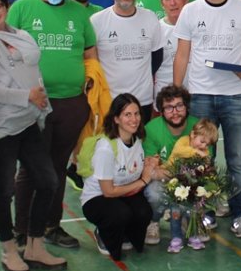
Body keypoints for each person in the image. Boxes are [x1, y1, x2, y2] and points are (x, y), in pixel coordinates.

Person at [0, 0, 66, 271]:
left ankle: (35, 245)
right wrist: (26, 96)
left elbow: (33, 73)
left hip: (28, 122)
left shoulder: (22, 36)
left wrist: (39, 102)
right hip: (0, 128)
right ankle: (9, 250)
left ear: (6, 6)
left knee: (48, 182)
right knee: (4, 190)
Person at [6, 0, 99, 250]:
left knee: (58, 167)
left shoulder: (80, 14)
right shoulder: (22, 8)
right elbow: (4, 51)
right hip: (33, 105)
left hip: (71, 104)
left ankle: (51, 226)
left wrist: (91, 86)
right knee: (31, 170)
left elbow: (89, 54)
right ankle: (21, 229)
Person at [172, 0, 241, 238]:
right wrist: (178, 96)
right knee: (201, 159)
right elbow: (182, 55)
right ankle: (206, 212)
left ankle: (238, 214)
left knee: (236, 159)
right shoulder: (190, 11)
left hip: (236, 96)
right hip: (200, 96)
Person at [80, 93, 158, 261]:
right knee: (120, 214)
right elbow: (108, 192)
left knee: (144, 212)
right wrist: (143, 181)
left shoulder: (137, 140)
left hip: (124, 193)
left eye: (136, 113)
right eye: (127, 115)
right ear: (116, 119)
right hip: (98, 198)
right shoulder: (106, 148)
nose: (134, 119)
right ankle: (102, 232)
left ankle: (125, 233)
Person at [91, 0, 164, 121]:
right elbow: (91, 61)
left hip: (142, 101)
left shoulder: (150, 18)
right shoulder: (97, 21)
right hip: (109, 102)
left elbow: (157, 57)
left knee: (140, 145)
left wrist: (139, 77)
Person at [141, 84, 197, 245]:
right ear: (161, 111)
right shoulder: (151, 129)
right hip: (163, 180)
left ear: (186, 107)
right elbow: (150, 170)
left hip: (188, 179)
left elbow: (204, 165)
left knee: (203, 186)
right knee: (154, 192)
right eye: (169, 107)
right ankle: (153, 221)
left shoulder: (198, 127)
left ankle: (189, 219)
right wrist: (175, 172)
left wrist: (166, 170)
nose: (175, 112)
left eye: (179, 105)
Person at [164, 119, 219, 253]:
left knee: (194, 212)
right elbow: (179, 151)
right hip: (176, 184)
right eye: (202, 141)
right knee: (176, 212)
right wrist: (197, 153)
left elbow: (206, 168)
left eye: (207, 144)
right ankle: (176, 237)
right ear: (193, 135)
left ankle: (193, 235)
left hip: (192, 187)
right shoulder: (183, 142)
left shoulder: (204, 152)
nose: (204, 146)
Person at [153, 0, 189, 100]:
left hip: (197, 97)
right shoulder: (156, 30)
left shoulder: (197, 27)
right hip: (166, 99)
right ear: (162, 4)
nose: (173, 3)